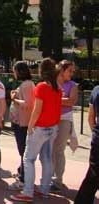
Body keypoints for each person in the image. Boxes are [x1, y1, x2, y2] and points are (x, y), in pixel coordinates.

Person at [11, 58, 62, 202]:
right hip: (52, 127)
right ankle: (44, 189)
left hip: (40, 127)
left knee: (29, 159)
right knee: (46, 159)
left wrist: (31, 125)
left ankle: (28, 192)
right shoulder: (57, 87)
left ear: (41, 70)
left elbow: (37, 109)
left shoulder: (42, 86)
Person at [7, 61, 36, 190]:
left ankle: (23, 179)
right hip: (20, 121)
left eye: (15, 70)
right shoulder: (26, 84)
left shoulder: (27, 85)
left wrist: (14, 98)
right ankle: (22, 172)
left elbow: (28, 103)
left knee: (23, 150)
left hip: (23, 123)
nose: (14, 73)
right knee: (23, 150)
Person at [51, 60, 79, 192]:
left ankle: (57, 181)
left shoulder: (72, 85)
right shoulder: (53, 83)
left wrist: (54, 98)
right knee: (49, 149)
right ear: (62, 70)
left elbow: (71, 101)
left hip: (64, 120)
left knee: (59, 149)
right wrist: (61, 99)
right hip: (51, 119)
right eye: (70, 71)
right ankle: (49, 177)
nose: (72, 74)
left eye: (73, 71)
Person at [74, 85, 99, 203]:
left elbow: (91, 118)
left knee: (93, 175)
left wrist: (95, 132)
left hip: (97, 139)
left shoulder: (96, 90)